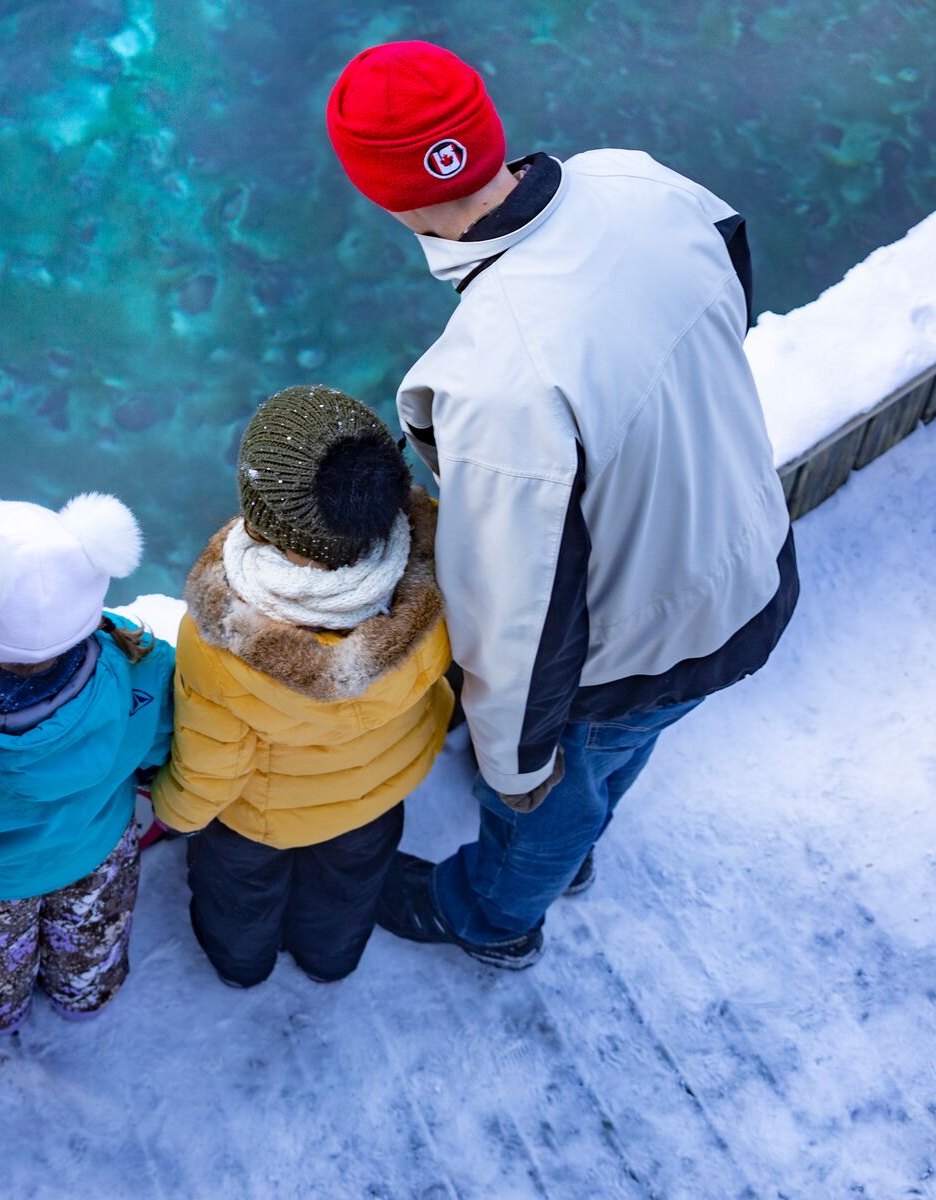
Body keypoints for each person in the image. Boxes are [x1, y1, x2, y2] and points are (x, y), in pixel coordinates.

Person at [324, 42, 798, 968]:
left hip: (628, 651)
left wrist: (516, 766)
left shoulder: (495, 381)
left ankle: (497, 913)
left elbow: (519, 624)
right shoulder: (640, 180)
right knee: (625, 752)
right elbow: (733, 293)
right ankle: (568, 843)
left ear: (379, 193)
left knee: (555, 791)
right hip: (752, 562)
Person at [153, 386, 454, 988]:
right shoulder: (439, 565)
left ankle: (243, 969)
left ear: (261, 516)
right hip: (378, 795)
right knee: (348, 890)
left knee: (240, 902)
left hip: (262, 821)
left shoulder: (222, 640)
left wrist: (173, 811)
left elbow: (212, 770)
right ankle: (330, 963)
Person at [0, 493, 175, 1032]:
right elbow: (156, 748)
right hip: (97, 849)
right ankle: (84, 995)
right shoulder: (147, 666)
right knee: (90, 955)